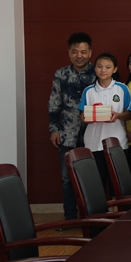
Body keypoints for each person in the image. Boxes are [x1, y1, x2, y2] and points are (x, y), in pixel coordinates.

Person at [48, 32, 96, 221]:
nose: (79, 56)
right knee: (67, 177)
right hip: (67, 134)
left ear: (90, 52)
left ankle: (92, 218)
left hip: (93, 134)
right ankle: (70, 218)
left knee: (91, 176)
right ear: (69, 52)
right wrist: (53, 129)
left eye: (83, 51)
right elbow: (54, 104)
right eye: (75, 51)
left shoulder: (99, 73)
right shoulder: (61, 74)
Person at [78, 53, 131, 194]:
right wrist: (86, 118)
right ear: (95, 68)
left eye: (108, 67)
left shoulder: (122, 88)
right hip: (93, 143)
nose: (103, 70)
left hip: (117, 142)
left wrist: (117, 116)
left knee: (117, 185)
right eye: (99, 66)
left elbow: (129, 114)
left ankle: (117, 209)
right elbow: (82, 116)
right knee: (97, 185)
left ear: (115, 69)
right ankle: (100, 209)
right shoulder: (88, 91)